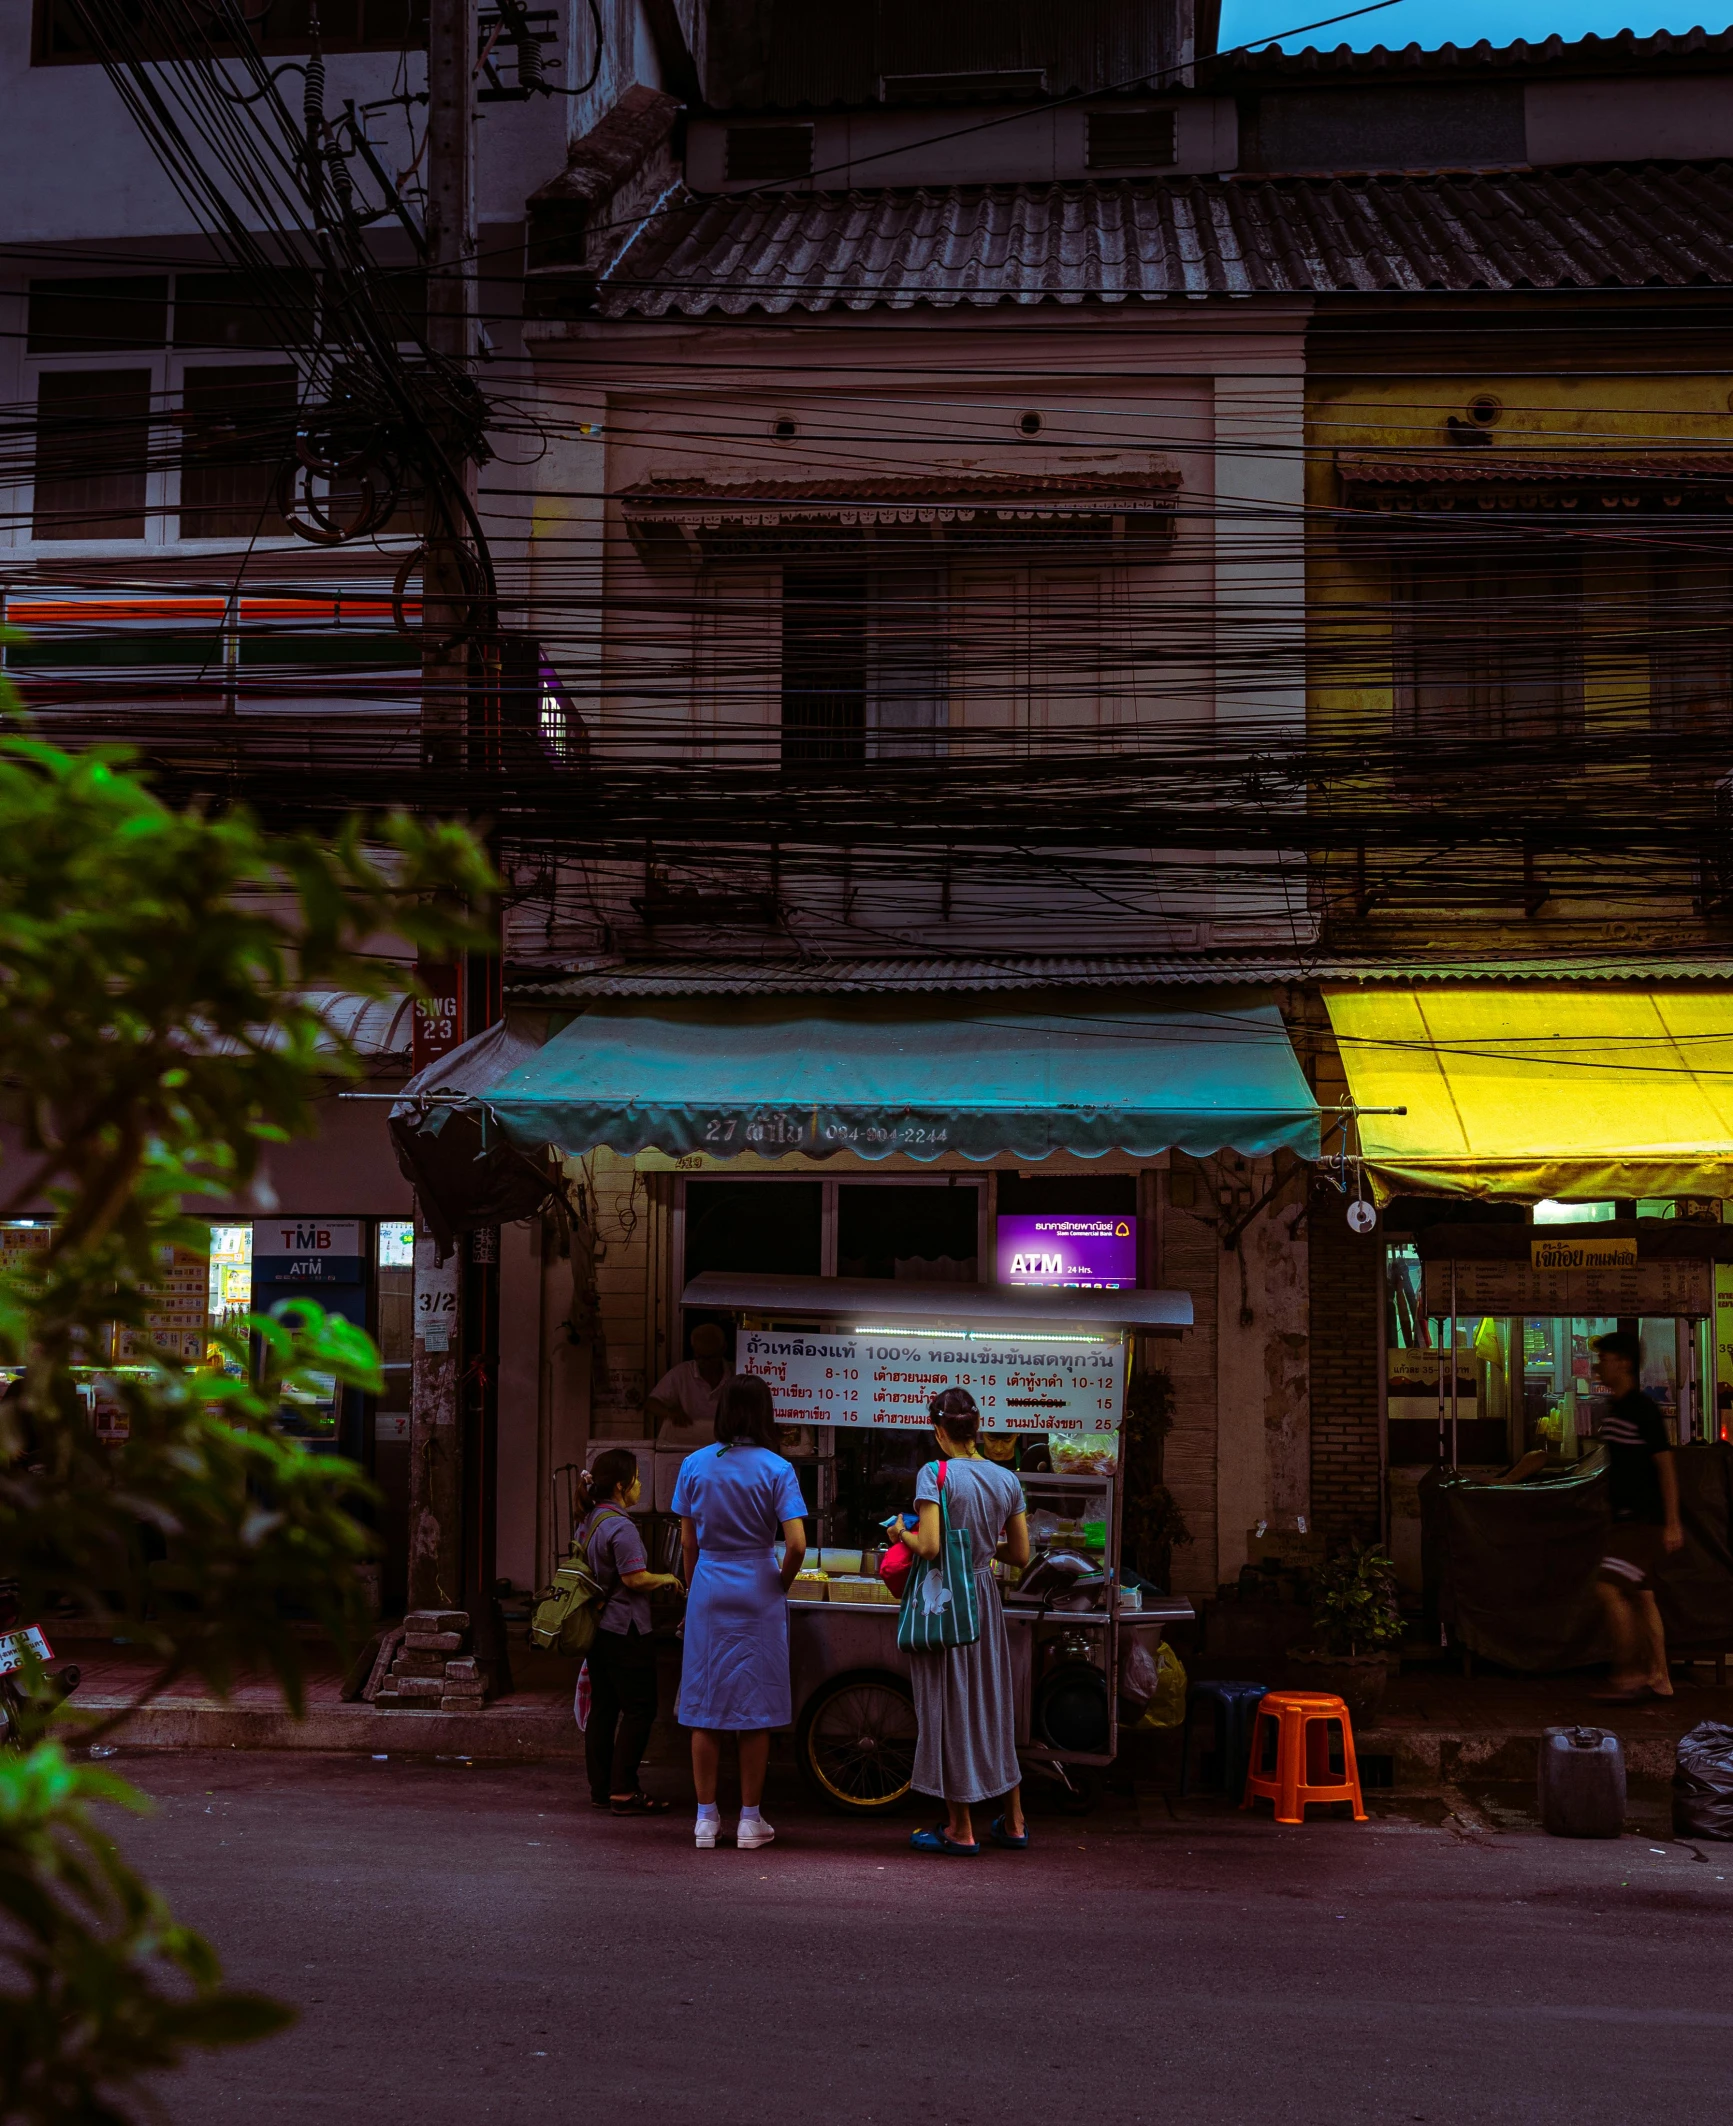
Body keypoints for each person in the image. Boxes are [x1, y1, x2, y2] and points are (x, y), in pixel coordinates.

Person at [671, 1373, 807, 1851]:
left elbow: (688, 1540)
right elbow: (796, 1545)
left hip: (708, 1584)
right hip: (758, 1586)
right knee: (755, 1707)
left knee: (704, 1707)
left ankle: (706, 1819)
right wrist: (778, 1584)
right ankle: (751, 1820)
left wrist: (693, 1589)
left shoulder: (694, 1464)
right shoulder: (777, 1468)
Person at [901, 1387, 1031, 1856]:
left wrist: (901, 1533)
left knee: (951, 1704)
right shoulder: (1005, 1479)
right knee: (992, 1704)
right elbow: (1020, 1554)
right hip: (984, 1595)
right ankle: (1014, 1821)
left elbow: (930, 1546)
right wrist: (980, 1551)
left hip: (948, 1601)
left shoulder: (933, 1475)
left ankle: (961, 1828)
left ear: (938, 1430)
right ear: (976, 1428)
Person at [575, 1449, 686, 1816]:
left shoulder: (590, 1519)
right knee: (640, 1709)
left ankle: (601, 1789)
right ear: (622, 1486)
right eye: (636, 1479)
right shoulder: (621, 1526)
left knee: (605, 1709)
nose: (640, 1486)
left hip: (599, 1629)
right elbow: (634, 1578)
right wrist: (668, 1578)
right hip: (626, 1629)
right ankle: (623, 1791)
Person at [1590, 1331, 1684, 1703]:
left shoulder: (1642, 1409)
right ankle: (1661, 1677)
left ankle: (1628, 1674)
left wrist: (1672, 1521)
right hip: (1627, 1520)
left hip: (1641, 1522)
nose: (1599, 1366)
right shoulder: (1617, 1408)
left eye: (1605, 1358)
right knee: (1644, 1598)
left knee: (1607, 1588)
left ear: (1624, 1363)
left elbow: (1665, 1466)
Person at [646, 1323, 734, 1449]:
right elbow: (651, 1404)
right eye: (700, 1357)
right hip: (686, 1447)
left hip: (726, 1447)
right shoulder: (681, 1373)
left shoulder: (736, 1373)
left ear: (723, 1349)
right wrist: (671, 1412)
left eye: (711, 1358)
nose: (705, 1363)